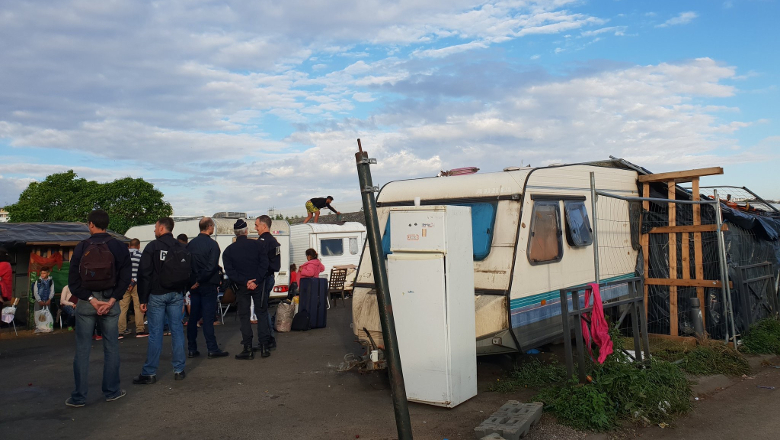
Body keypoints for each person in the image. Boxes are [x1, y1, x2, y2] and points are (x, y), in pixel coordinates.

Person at [66, 209, 132, 407]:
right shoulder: (119, 247)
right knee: (111, 348)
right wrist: (112, 300)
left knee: (83, 350)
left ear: (91, 224)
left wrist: (92, 300)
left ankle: (79, 397)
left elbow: (73, 281)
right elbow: (125, 278)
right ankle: (112, 391)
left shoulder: (81, 247)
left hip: (87, 302)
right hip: (110, 303)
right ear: (107, 224)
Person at [134, 217, 189, 384]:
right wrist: (183, 292)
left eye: (156, 227)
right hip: (176, 294)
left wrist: (143, 298)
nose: (154, 230)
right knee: (177, 331)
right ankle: (179, 369)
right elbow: (189, 271)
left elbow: (144, 273)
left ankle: (150, 372)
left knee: (155, 334)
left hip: (157, 294)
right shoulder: (181, 246)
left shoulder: (152, 247)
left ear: (162, 228)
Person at [222, 219, 270, 360]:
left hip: (241, 286)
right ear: (246, 231)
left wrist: (245, 281)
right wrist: (256, 280)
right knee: (261, 314)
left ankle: (248, 348)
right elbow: (264, 264)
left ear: (235, 233)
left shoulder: (229, 251)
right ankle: (264, 347)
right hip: (258, 284)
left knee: (244, 316)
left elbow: (230, 271)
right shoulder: (258, 245)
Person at [186, 217, 228, 359]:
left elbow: (187, 266)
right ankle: (212, 348)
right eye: (213, 226)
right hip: (208, 284)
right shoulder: (213, 245)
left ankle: (192, 348)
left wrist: (193, 281)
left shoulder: (190, 244)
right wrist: (200, 280)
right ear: (209, 227)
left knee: (193, 317)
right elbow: (211, 267)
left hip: (194, 286)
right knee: (208, 318)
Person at [254, 215, 280, 352]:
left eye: (257, 225)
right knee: (263, 309)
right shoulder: (273, 241)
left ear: (264, 226)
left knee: (262, 310)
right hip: (269, 277)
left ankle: (268, 339)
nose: (255, 228)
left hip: (264, 278)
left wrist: (257, 278)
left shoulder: (264, 241)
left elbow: (262, 263)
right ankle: (269, 338)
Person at [119, 239, 146, 339]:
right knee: (138, 306)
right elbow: (142, 270)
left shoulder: (123, 256)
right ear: (138, 246)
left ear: (129, 246)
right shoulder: (141, 256)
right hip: (137, 284)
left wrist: (127, 281)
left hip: (124, 284)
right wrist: (133, 281)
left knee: (122, 307)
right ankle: (140, 330)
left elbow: (120, 270)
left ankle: (120, 331)